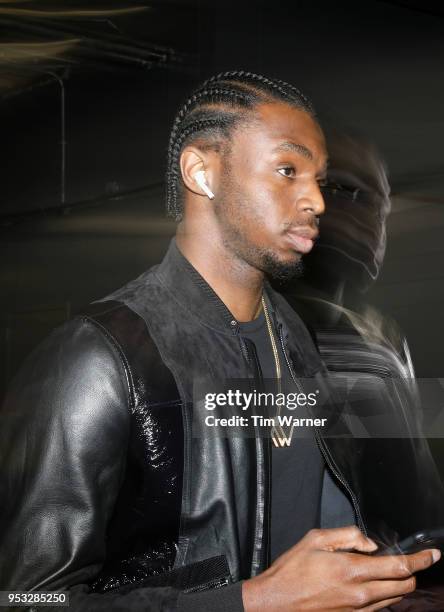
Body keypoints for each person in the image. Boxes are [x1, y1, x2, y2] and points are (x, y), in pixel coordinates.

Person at [0, 71, 441, 612]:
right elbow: (21, 599)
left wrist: (357, 587)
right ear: (202, 171)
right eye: (287, 170)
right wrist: (251, 602)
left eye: (319, 179)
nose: (317, 201)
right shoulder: (97, 357)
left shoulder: (296, 339)